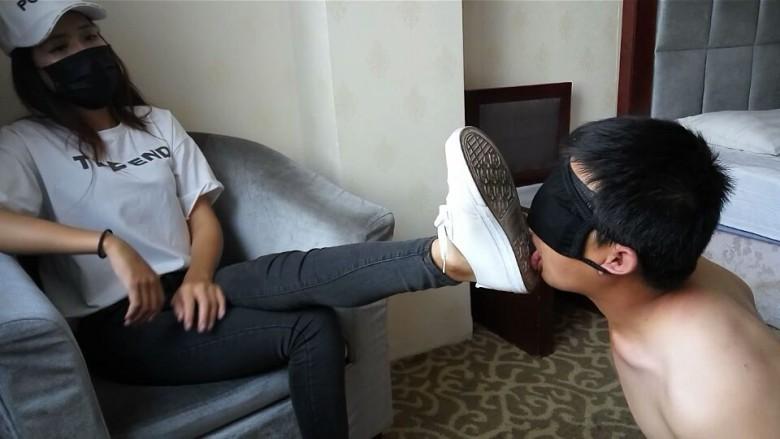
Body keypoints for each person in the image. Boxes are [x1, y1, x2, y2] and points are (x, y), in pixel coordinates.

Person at [0, 2, 538, 438]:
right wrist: (107, 243)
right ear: (35, 72)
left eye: (89, 37)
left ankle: (451, 256)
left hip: (191, 284)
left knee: (287, 270)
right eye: (59, 48)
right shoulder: (26, 143)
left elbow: (202, 218)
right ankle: (456, 258)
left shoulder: (155, 124)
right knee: (313, 329)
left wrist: (199, 276)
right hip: (125, 324)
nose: (83, 53)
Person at [527, 117, 780, 438]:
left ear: (617, 260)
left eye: (559, 213)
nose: (534, 224)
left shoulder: (716, 398)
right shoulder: (667, 268)